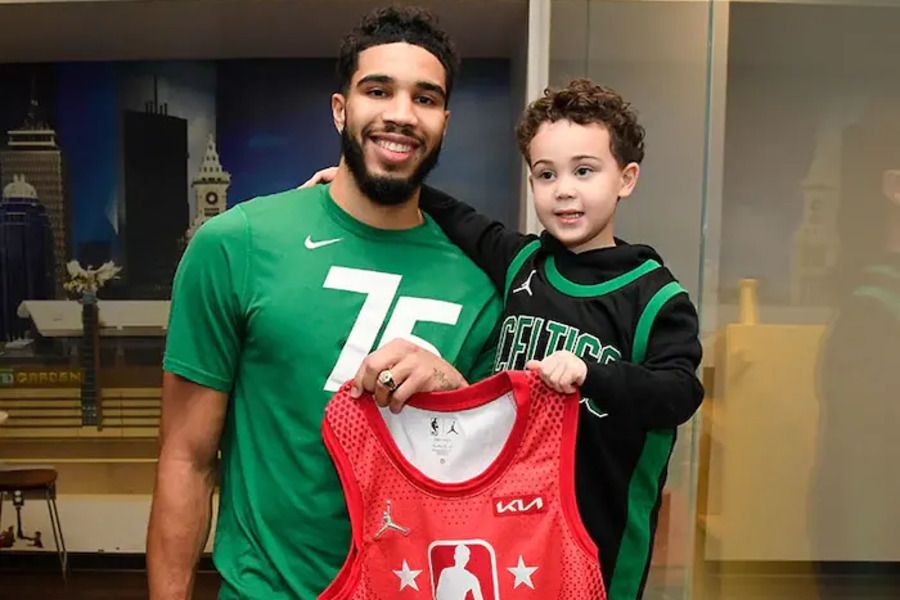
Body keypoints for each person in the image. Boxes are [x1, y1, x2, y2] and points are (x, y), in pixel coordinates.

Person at [146, 7, 501, 599]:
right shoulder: (237, 245)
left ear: (444, 121)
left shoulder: (479, 283)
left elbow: (482, 482)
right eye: (377, 90)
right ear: (341, 109)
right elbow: (186, 460)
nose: (400, 114)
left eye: (425, 98)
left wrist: (453, 386)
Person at [305, 79, 704, 599]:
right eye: (546, 174)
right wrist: (355, 181)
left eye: (584, 171)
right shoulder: (522, 262)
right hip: (511, 532)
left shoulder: (655, 298)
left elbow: (679, 393)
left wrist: (591, 375)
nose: (563, 189)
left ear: (626, 179)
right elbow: (458, 218)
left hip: (600, 544)